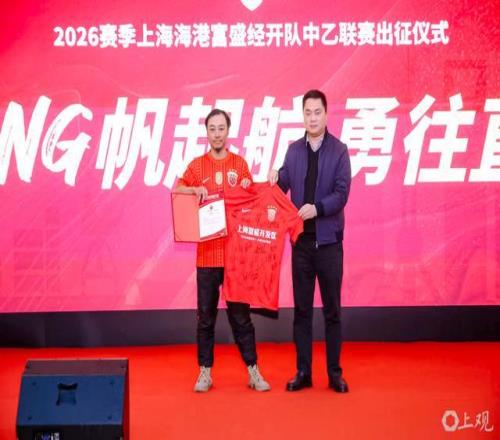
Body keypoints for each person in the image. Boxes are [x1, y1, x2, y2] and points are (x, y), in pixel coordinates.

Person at [176, 108, 270, 392]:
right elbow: (178, 188)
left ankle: (253, 371)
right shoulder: (197, 167)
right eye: (212, 129)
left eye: (221, 128)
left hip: (235, 258)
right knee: (205, 317)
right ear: (207, 132)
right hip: (207, 256)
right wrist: (194, 191)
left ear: (228, 131)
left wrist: (247, 186)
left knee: (241, 317)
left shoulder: (239, 165)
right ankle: (205, 372)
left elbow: (252, 202)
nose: (217, 134)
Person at [268, 90, 351, 392]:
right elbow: (282, 185)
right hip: (301, 245)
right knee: (302, 311)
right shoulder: (293, 151)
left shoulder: (339, 150)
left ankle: (334, 373)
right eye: (308, 112)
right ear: (302, 115)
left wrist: (318, 208)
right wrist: (275, 178)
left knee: (332, 311)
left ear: (326, 114)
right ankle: (303, 372)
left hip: (329, 245)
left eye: (317, 112)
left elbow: (342, 193)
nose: (313, 118)